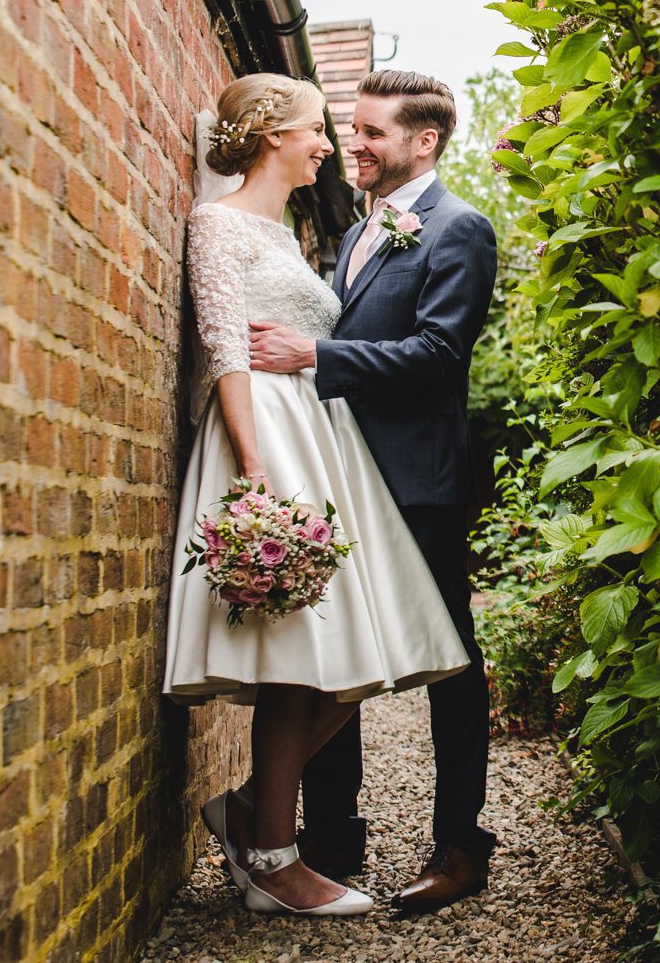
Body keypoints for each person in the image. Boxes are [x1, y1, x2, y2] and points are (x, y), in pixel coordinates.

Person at [163, 73, 470, 918]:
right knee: (307, 653)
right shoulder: (217, 223)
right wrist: (254, 470)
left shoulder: (290, 234)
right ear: (270, 136)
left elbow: (331, 342)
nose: (331, 145)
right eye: (317, 130)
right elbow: (226, 348)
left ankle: (252, 812)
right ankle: (271, 854)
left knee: (354, 653)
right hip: (269, 439)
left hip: (320, 438)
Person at [247, 69, 500, 913]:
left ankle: (461, 847)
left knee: (450, 665)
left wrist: (313, 357)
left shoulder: (460, 230)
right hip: (342, 474)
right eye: (353, 129)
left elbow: (438, 356)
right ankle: (328, 837)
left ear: (424, 141)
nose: (355, 144)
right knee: (334, 652)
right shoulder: (359, 230)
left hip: (420, 480)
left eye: (372, 132)